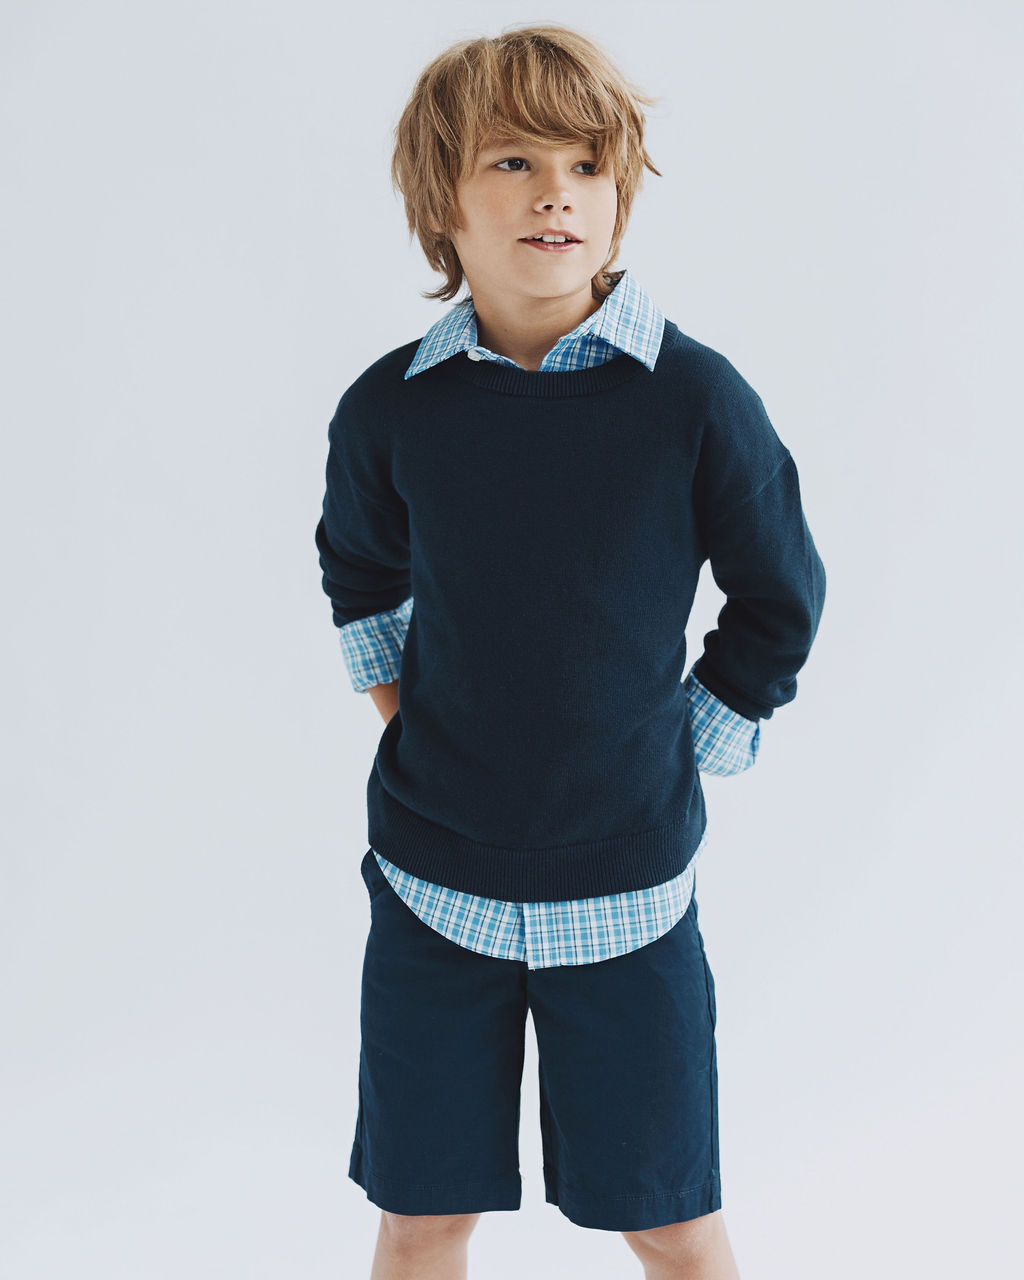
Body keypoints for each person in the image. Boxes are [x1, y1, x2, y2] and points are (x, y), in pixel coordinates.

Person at [314, 23, 826, 1280]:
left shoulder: (693, 399)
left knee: (672, 1224)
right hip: (433, 892)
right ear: (441, 203)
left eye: (587, 166)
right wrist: (408, 714)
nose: (557, 192)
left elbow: (779, 592)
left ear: (618, 196)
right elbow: (360, 572)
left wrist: (685, 741)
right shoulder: (390, 409)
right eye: (514, 162)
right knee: (420, 1219)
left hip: (630, 897)